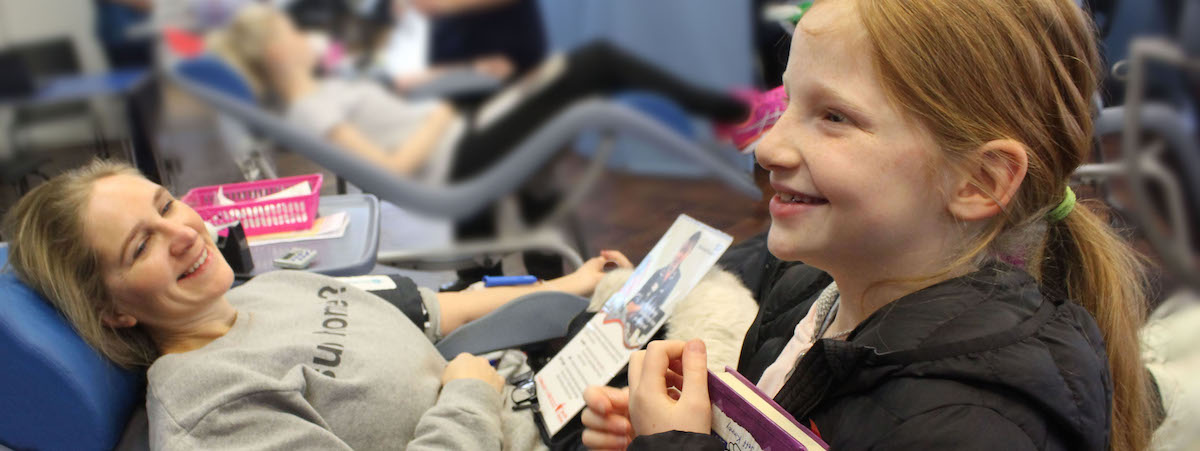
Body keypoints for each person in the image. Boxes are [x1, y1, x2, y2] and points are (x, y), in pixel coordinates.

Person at [580, 0, 1154, 450]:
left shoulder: (969, 428)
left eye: (833, 117)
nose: (768, 147)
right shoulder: (806, 288)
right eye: (788, 105)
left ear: (978, 181)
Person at [0, 160, 635, 449]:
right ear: (115, 312)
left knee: (717, 274)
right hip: (520, 422)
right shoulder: (210, 408)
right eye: (142, 246)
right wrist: (470, 397)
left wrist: (572, 285)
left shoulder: (268, 289)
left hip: (549, 398)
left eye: (165, 205)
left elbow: (439, 310)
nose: (184, 233)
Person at [206, 4, 748, 180]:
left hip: (463, 135)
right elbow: (390, 168)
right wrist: (444, 109)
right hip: (457, 153)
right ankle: (726, 111)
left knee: (582, 69)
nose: (305, 35)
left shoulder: (322, 92)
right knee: (596, 63)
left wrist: (457, 75)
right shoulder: (312, 107)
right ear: (276, 53)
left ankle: (722, 110)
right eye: (292, 33)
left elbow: (384, 98)